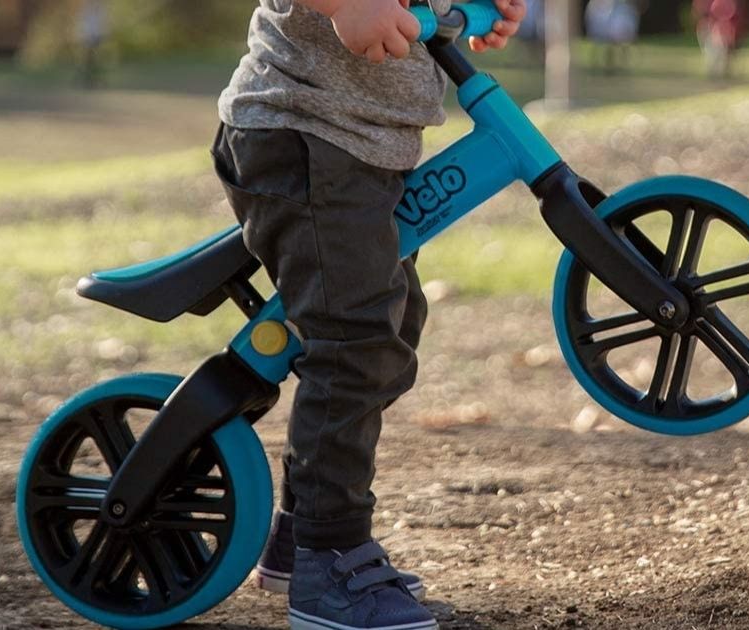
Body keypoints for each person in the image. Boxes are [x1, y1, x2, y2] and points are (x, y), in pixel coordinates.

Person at [211, 1, 525, 629]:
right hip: (301, 130)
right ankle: (329, 559)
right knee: (355, 338)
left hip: (363, 146)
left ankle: (300, 536)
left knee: (391, 325)